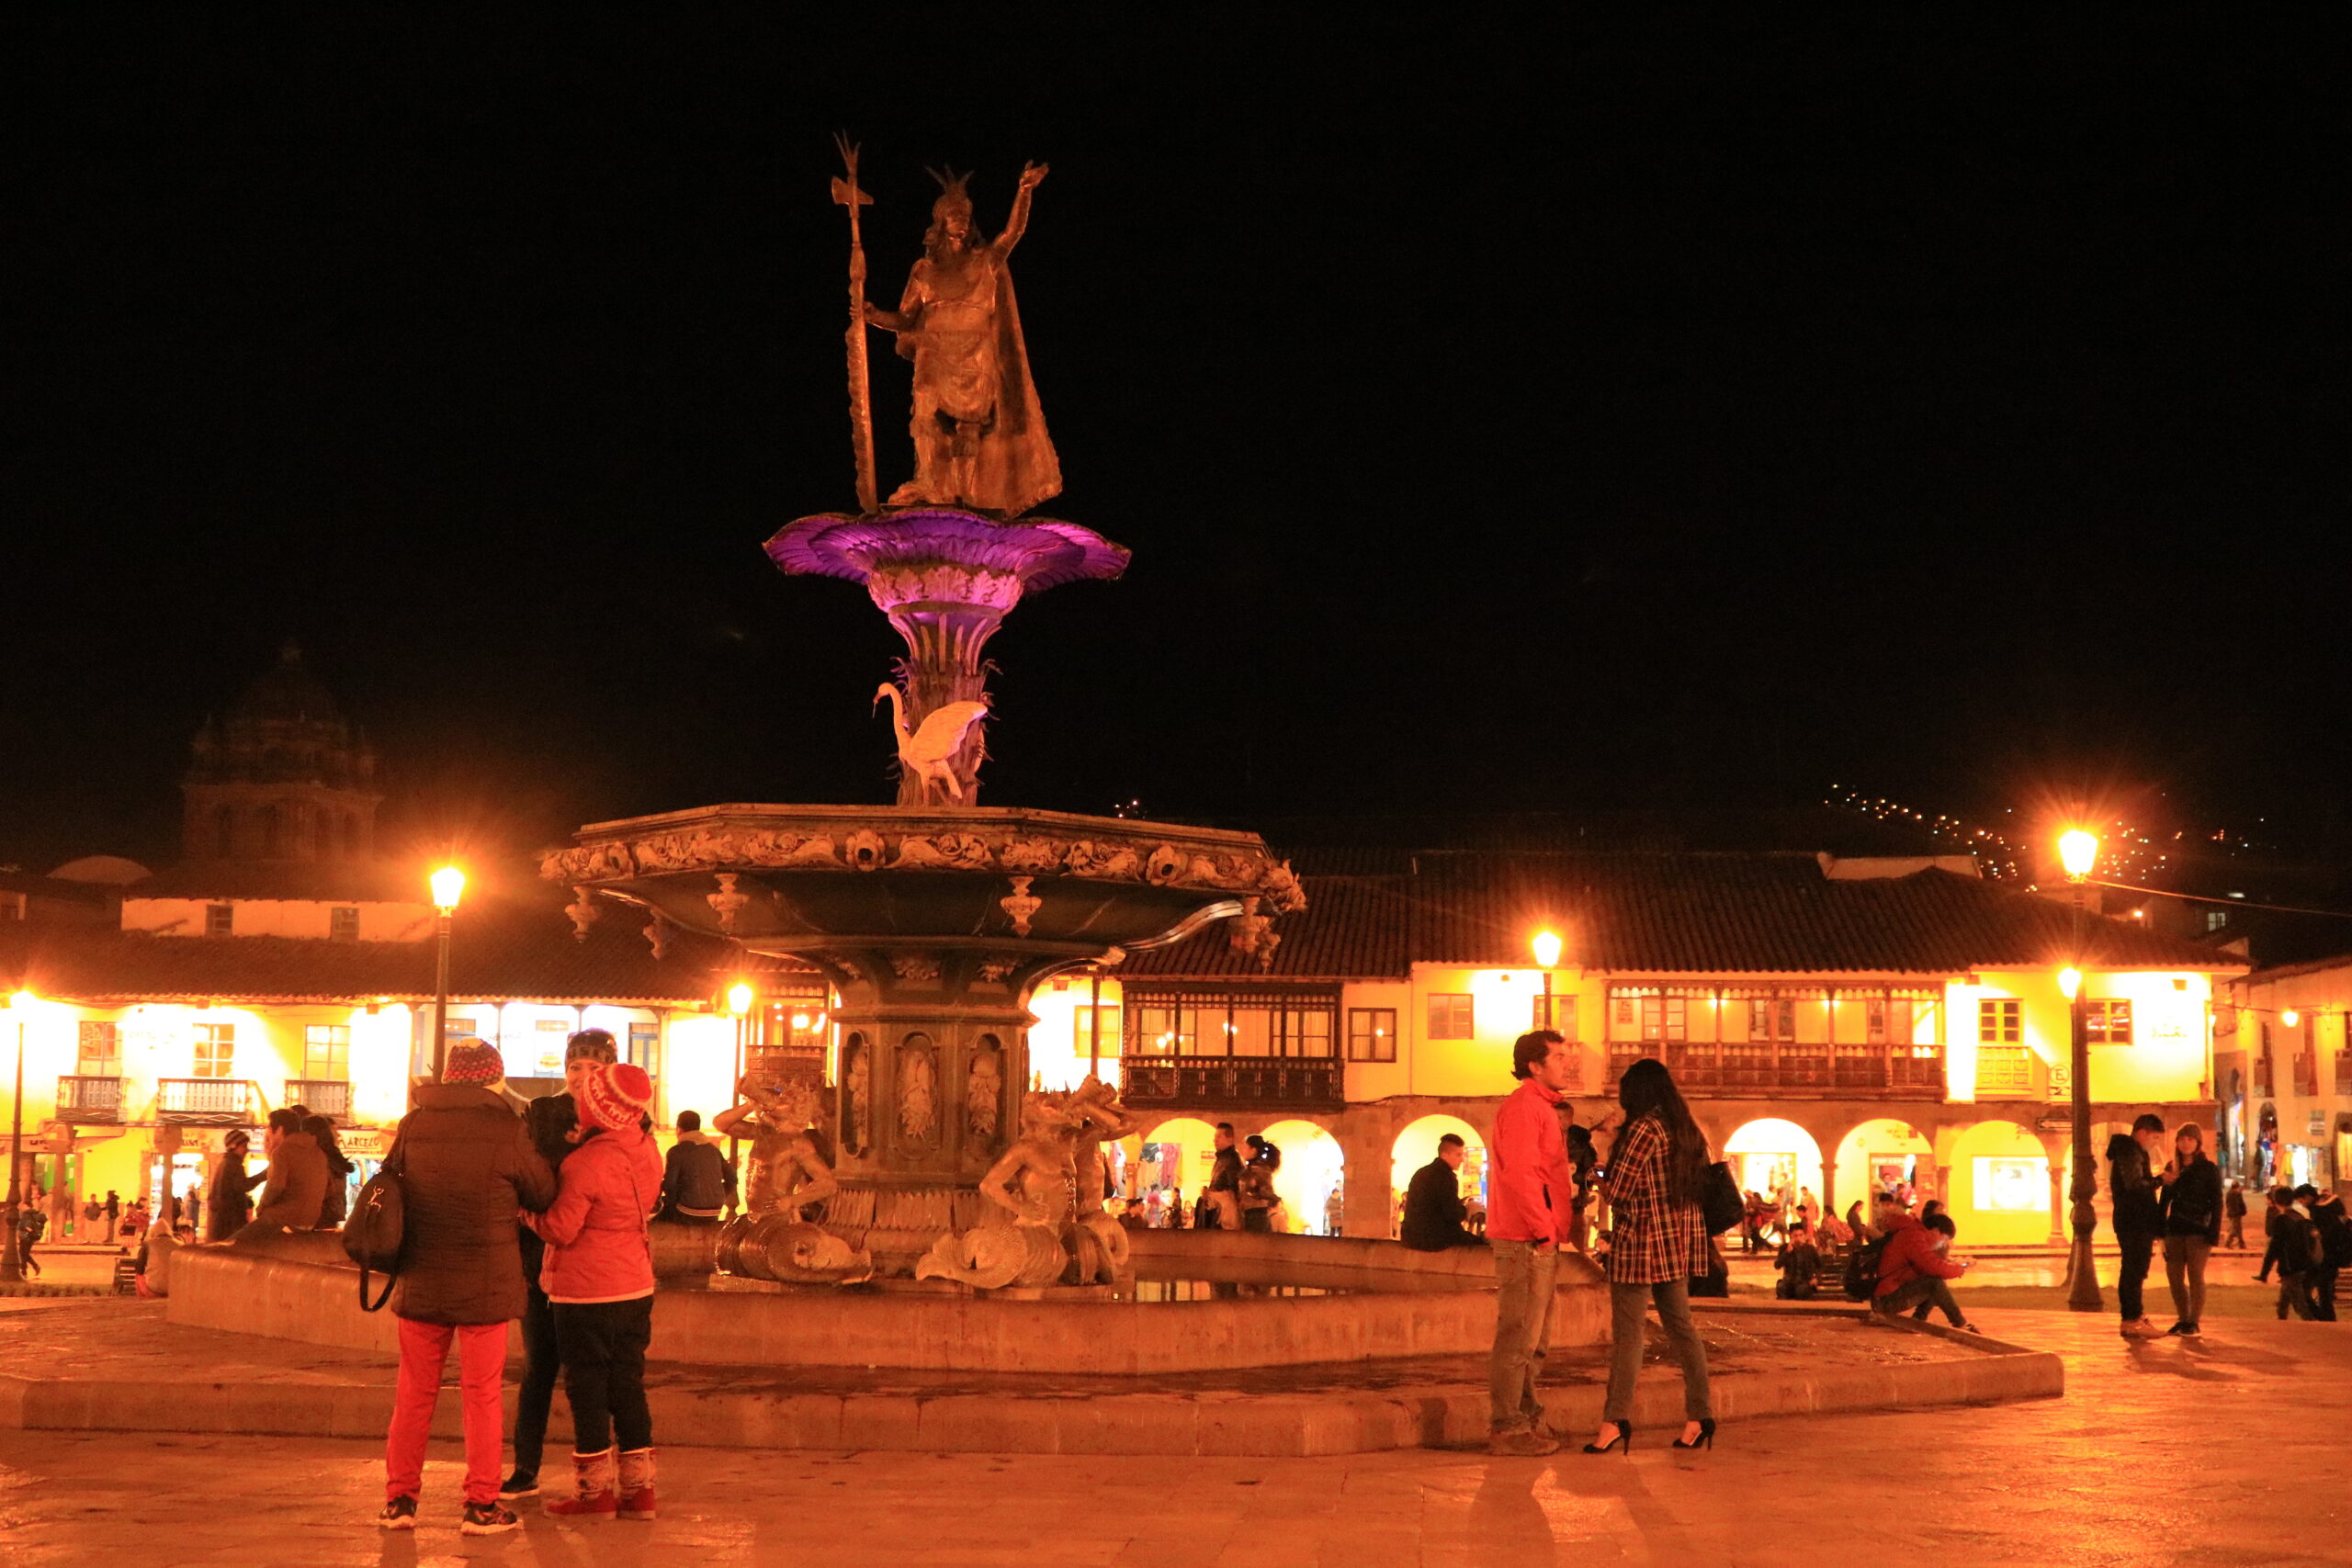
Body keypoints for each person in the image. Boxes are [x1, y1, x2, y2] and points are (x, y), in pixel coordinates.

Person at [378, 1041, 555, 1536]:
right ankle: (480, 1504)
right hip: (485, 1285)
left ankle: (400, 1501)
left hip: (422, 1278)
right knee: (482, 1395)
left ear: (449, 1078)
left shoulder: (414, 1124)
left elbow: (390, 1181)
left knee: (413, 1394)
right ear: (493, 1079)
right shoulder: (506, 1128)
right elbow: (542, 1192)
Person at [528, 1059, 664, 1521]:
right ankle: (640, 1492)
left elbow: (561, 1230)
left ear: (599, 1109)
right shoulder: (648, 1149)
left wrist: (525, 1215)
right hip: (635, 1284)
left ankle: (595, 1495)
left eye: (586, 1099)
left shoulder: (585, 1163)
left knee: (587, 1386)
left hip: (586, 1292)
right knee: (628, 1383)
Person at [503, 1028, 612, 1503]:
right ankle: (525, 1467)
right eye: (574, 1068)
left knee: (590, 1371)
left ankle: (598, 1476)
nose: (581, 1078)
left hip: (592, 1265)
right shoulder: (544, 1113)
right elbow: (532, 1178)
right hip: (539, 1261)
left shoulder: (622, 1121)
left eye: (593, 1069)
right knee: (539, 1368)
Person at [1589, 1057, 1714, 1456]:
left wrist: (1599, 1171)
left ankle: (1614, 1421)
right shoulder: (1684, 1127)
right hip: (1677, 1242)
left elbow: (1620, 1191)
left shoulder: (1645, 1128)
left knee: (1628, 1337)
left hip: (1643, 1243)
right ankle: (1699, 1416)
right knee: (1682, 1329)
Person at [1487, 1030, 1577, 1457]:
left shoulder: (1538, 1107)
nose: (1567, 1062)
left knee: (1533, 1341)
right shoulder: (1526, 1108)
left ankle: (1525, 1418)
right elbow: (1522, 1175)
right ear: (1535, 1066)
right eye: (1558, 1056)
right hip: (1526, 1238)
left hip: (1537, 1237)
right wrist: (1544, 1230)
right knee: (1519, 1337)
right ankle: (1507, 1426)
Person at [2105, 1113, 2168, 1340]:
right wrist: (2161, 1180)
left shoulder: (2130, 1151)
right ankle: (2132, 1320)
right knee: (2134, 1270)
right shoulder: (2130, 1151)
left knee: (2134, 1270)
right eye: (2154, 1138)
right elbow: (2134, 1184)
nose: (2155, 1144)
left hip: (2132, 1219)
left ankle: (2134, 1317)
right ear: (2142, 1132)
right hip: (2134, 1220)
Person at [2155, 1122, 2222, 1337]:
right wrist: (2159, 1230)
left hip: (2198, 1230)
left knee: (2195, 1276)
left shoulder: (2208, 1168)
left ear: (2198, 1143)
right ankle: (2182, 1319)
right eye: (2182, 1139)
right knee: (2174, 1277)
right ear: (2177, 1142)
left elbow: (2217, 1201)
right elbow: (2164, 1201)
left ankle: (2193, 1321)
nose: (2185, 1143)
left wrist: (2214, 1231)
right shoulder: (2171, 1168)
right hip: (2174, 1229)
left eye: (2190, 1139)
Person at [1871, 1211, 1977, 1330]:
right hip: (1885, 1299)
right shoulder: (1913, 1237)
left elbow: (1930, 1265)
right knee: (1935, 1282)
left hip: (1887, 1295)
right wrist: (1957, 1270)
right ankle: (1960, 1323)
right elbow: (1932, 1265)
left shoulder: (1913, 1234)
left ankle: (1918, 1320)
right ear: (1936, 1232)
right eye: (1944, 1239)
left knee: (1934, 1280)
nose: (1943, 1244)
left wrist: (1952, 1265)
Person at [1402, 1134, 1486, 1251]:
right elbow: (1452, 1215)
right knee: (1482, 1243)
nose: (1462, 1159)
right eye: (1458, 1155)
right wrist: (1467, 1208)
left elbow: (1434, 1205)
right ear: (1445, 1155)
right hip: (1433, 1238)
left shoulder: (1422, 1173)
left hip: (1411, 1237)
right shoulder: (1445, 1177)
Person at [657, 1109, 734, 1224]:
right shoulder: (713, 1150)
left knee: (656, 1217)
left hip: (688, 1211)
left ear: (679, 1130)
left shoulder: (676, 1151)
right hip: (715, 1211)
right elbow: (732, 1178)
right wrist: (718, 1195)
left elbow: (670, 1185)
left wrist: (670, 1203)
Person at [2257, 1188, 2319, 1321]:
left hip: (2290, 1267)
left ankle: (2316, 1328)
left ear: (2276, 1201)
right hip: (2303, 1264)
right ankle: (2281, 1321)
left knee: (2300, 1305)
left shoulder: (2282, 1220)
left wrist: (2264, 1272)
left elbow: (2275, 1247)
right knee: (2284, 1301)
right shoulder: (2299, 1217)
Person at [2301, 1184, 2350, 1321]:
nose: (2302, 1204)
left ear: (2308, 1197)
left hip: (2326, 1258)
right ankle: (2326, 1318)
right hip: (2333, 1257)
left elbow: (2328, 1235)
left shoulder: (2319, 1211)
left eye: (2301, 1200)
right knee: (2324, 1291)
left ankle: (2326, 1319)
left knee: (2316, 1290)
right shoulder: (2330, 1207)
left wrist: (2316, 1235)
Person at [206, 1139, 259, 1241]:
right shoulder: (233, 1165)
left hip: (222, 1223)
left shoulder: (224, 1163)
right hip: (231, 1222)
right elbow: (244, 1185)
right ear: (234, 1146)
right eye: (244, 1146)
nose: (247, 1150)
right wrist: (266, 1174)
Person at [307, 1114, 354, 1229]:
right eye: (334, 1131)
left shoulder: (319, 1158)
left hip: (319, 1216)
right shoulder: (332, 1158)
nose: (338, 1135)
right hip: (331, 1215)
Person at [1202, 1123, 1242, 1230]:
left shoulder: (1232, 1159)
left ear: (1230, 1139)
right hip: (1217, 1211)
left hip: (1224, 1213)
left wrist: (1216, 1195)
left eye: (1219, 1136)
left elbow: (1234, 1186)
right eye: (1215, 1137)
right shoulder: (1222, 1158)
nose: (1215, 1140)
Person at [1238, 1140, 1278, 1234]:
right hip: (1248, 1213)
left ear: (1253, 1150)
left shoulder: (1260, 1169)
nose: (1242, 1150)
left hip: (1257, 1214)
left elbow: (1267, 1192)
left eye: (1245, 1147)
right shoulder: (1249, 1169)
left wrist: (1254, 1188)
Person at [1775, 1218, 1820, 1300]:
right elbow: (1777, 1265)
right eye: (1795, 1236)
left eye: (1801, 1235)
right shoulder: (1784, 1248)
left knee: (1801, 1291)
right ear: (1790, 1236)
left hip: (1804, 1281)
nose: (1799, 1238)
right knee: (1781, 1288)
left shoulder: (1809, 1249)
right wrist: (1787, 1253)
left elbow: (1819, 1265)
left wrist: (1815, 1277)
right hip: (1789, 1281)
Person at [15, 1199, 43, 1277]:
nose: (21, 1207)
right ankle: (35, 1267)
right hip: (31, 1237)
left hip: (25, 1237)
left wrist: (26, 1231)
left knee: (22, 1254)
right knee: (25, 1254)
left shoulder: (26, 1215)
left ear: (27, 1206)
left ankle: (24, 1272)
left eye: (23, 1205)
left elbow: (26, 1226)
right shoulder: (34, 1214)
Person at [2224, 1181, 2248, 1249]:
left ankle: (2241, 1243)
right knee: (2234, 1229)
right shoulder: (2237, 1194)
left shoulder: (2228, 1193)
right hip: (2236, 1214)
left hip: (2230, 1213)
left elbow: (2228, 1203)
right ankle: (2228, 1243)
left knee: (2238, 1229)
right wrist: (2242, 1211)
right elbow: (2240, 1203)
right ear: (2237, 1187)